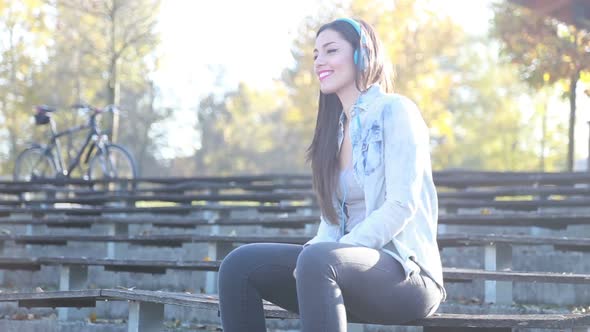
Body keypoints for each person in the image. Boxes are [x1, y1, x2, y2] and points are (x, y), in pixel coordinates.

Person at [218, 17, 446, 332]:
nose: (319, 62)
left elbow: (401, 205)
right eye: (315, 55)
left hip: (406, 276)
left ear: (362, 54)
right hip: (339, 270)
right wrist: (320, 251)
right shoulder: (334, 132)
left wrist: (337, 251)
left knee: (317, 259)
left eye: (330, 50)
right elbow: (332, 221)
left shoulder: (396, 111)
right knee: (240, 265)